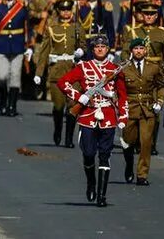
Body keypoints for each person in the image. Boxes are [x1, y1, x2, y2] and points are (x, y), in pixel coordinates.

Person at [59, 34, 127, 207]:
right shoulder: (83, 67)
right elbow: (63, 82)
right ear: (92, 49)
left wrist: (123, 116)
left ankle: (101, 196)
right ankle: (91, 183)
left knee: (105, 156)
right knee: (88, 154)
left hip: (108, 116)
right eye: (97, 47)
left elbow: (123, 95)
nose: (100, 49)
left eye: (103, 47)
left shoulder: (114, 69)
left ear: (108, 49)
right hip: (88, 115)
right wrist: (79, 97)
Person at [35, 0, 85, 147]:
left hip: (73, 71)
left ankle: (69, 138)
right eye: (63, 10)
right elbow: (44, 52)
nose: (66, 13)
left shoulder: (77, 28)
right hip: (56, 72)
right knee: (58, 106)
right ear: (58, 12)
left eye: (68, 10)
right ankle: (58, 130)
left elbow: (84, 45)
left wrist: (81, 51)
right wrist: (39, 73)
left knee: (72, 105)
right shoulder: (52, 28)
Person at [119, 37, 164, 186]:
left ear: (145, 50)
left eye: (141, 48)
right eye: (136, 49)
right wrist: (119, 106)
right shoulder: (124, 68)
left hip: (147, 109)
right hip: (130, 108)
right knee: (128, 142)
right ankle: (128, 164)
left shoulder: (153, 67)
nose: (139, 51)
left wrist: (159, 102)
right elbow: (117, 90)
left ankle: (142, 175)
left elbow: (161, 86)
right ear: (131, 51)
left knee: (146, 143)